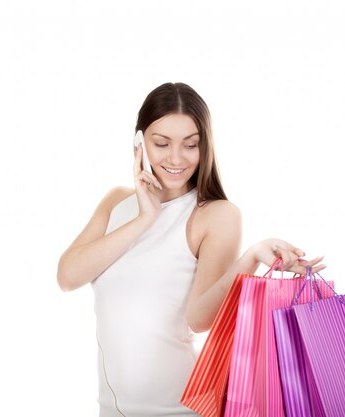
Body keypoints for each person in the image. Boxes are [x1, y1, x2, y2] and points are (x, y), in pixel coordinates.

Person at [57, 82, 325, 417]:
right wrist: (145, 218)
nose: (175, 158)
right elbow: (67, 276)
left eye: (190, 145)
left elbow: (200, 319)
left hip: (181, 410)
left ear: (205, 147)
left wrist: (251, 257)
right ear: (139, 144)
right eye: (161, 143)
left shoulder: (215, 215)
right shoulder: (116, 203)